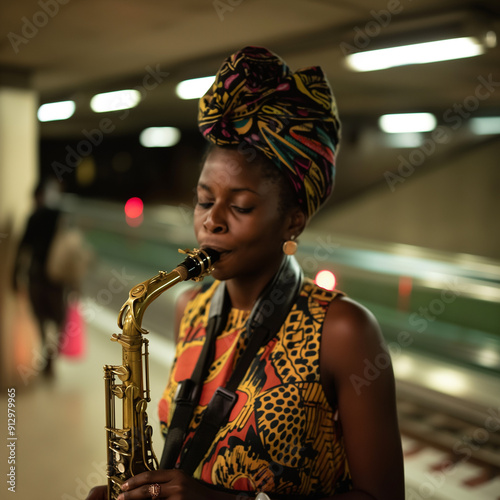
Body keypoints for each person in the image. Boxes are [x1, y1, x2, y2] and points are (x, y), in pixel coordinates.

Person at [88, 46, 405, 500]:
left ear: (293, 220)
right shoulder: (189, 308)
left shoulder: (344, 330)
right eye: (203, 200)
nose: (211, 221)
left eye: (240, 206)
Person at [12, 178, 69, 377]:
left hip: (37, 275)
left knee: (41, 318)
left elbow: (23, 248)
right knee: (58, 317)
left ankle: (47, 352)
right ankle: (51, 354)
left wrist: (15, 274)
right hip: (55, 276)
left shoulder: (33, 217)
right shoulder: (57, 216)